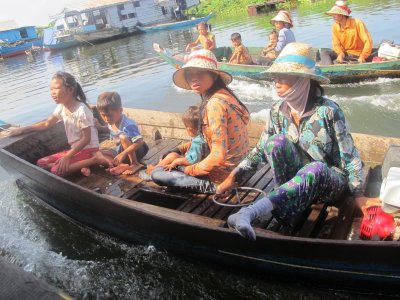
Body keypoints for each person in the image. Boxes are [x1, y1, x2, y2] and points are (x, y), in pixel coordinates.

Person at [216, 42, 375, 241]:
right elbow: (259, 151)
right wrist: (234, 176)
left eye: (283, 76)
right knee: (274, 142)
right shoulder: (277, 110)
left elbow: (349, 155)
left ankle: (251, 212)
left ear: (302, 79)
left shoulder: (328, 111)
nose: (275, 81)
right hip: (296, 183)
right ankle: (289, 205)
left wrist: (358, 194)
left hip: (329, 180)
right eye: (275, 76)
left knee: (316, 168)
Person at [151, 49, 250, 193]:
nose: (194, 78)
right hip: (241, 169)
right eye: (190, 74)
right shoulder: (226, 96)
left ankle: (213, 188)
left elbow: (218, 157)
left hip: (225, 176)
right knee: (172, 158)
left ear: (214, 76)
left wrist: (187, 169)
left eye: (200, 73)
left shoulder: (214, 104)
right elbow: (207, 139)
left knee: (157, 174)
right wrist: (178, 150)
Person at [8, 71, 112, 177]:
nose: (52, 92)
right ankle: (80, 165)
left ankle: (94, 160)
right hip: (76, 150)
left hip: (88, 149)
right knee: (41, 163)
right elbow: (47, 124)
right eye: (51, 89)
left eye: (56, 88)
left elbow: (86, 139)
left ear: (70, 90)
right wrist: (24, 129)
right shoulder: (61, 107)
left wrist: (67, 157)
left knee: (56, 170)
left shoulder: (82, 110)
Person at [145, 105, 209, 176]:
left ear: (190, 129)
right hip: (198, 160)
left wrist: (176, 161)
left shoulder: (198, 142)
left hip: (195, 166)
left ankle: (154, 170)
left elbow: (193, 160)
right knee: (171, 156)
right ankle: (161, 164)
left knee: (173, 156)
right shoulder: (204, 136)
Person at [96, 92, 149, 175]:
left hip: (137, 150)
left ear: (120, 110)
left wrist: (123, 154)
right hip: (121, 151)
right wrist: (100, 127)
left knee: (123, 137)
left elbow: (140, 142)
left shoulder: (128, 125)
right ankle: (122, 165)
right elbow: (110, 129)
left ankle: (135, 163)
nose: (106, 119)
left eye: (109, 115)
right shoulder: (112, 120)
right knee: (98, 152)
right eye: (103, 115)